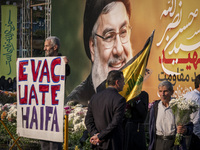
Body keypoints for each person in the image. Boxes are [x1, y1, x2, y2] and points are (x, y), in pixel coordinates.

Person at [66, 0, 133, 106]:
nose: (119, 50)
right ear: (92, 46)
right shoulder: (75, 103)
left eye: (123, 32)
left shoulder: (136, 94)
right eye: (109, 36)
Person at [40, 36, 70, 150]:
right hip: (41, 107)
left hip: (54, 107)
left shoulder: (62, 62)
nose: (44, 49)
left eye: (47, 46)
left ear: (55, 47)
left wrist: (65, 64)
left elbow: (67, 72)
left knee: (54, 141)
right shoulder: (41, 63)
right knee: (43, 140)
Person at [85, 70, 126, 150]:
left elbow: (88, 120)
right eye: (123, 81)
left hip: (97, 144)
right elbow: (115, 123)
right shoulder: (119, 99)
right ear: (117, 82)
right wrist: (100, 136)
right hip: (112, 143)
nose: (124, 84)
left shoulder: (95, 97)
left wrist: (95, 135)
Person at [149, 80, 193, 150]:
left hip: (173, 144)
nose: (162, 94)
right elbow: (151, 128)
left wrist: (185, 129)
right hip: (158, 143)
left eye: (165, 91)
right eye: (160, 91)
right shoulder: (155, 107)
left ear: (172, 92)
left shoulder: (179, 107)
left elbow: (190, 126)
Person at [184, 74, 200, 150]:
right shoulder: (198, 98)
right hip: (194, 137)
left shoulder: (187, 95)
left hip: (186, 134)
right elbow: (196, 121)